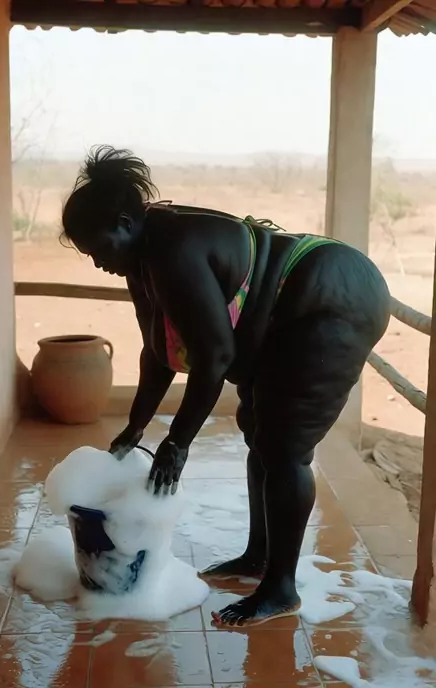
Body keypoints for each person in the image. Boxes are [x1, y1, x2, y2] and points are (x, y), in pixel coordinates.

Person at [61, 145, 391, 628]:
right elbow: (159, 349)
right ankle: (259, 557)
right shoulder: (141, 258)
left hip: (332, 297)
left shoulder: (172, 249)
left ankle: (281, 589)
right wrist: (135, 427)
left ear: (125, 223)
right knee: (259, 429)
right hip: (291, 309)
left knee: (285, 447)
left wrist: (178, 443)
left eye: (98, 248)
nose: (97, 263)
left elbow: (214, 355)